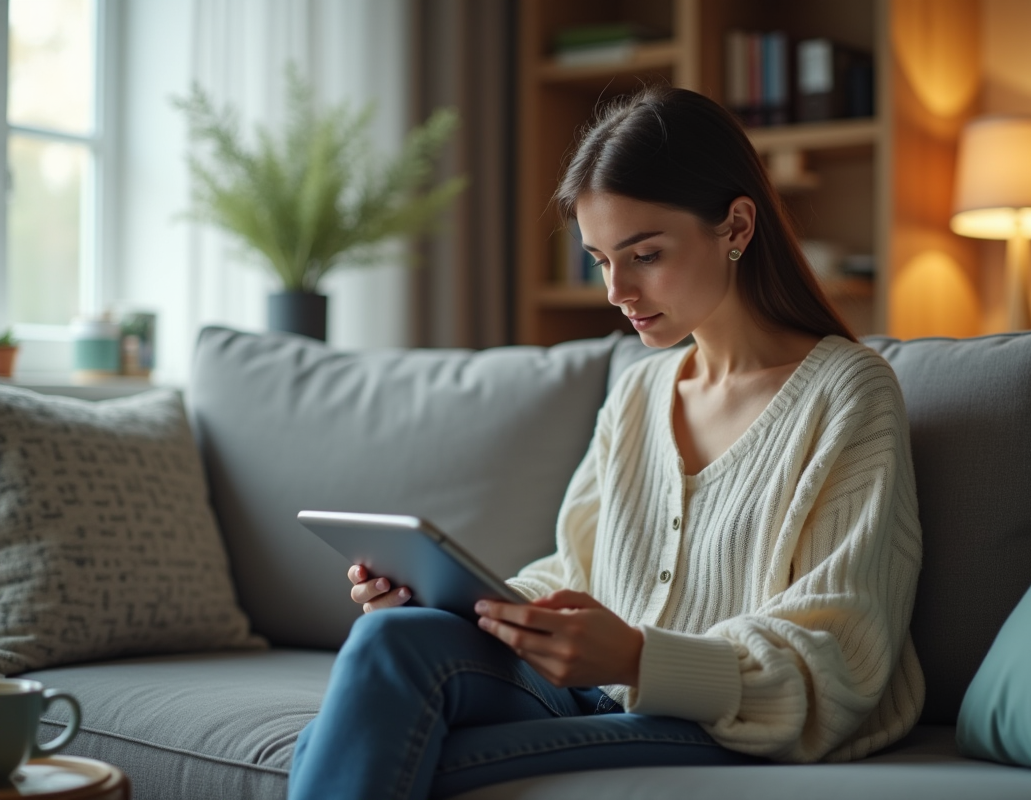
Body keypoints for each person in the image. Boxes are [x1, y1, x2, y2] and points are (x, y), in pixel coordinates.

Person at [287, 85, 923, 800]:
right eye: (599, 258)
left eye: (645, 253)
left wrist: (643, 656)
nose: (618, 289)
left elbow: (841, 658)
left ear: (737, 225)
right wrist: (454, 605)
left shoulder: (848, 393)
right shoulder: (639, 394)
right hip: (593, 695)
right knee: (391, 642)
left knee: (369, 745)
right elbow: (576, 571)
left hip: (724, 726)